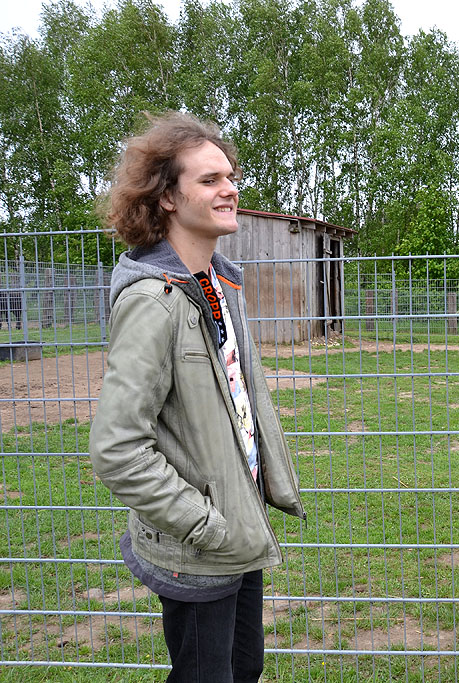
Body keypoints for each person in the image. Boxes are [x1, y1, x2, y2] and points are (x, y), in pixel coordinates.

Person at [90, 111, 305, 682]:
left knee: (243, 668)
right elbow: (117, 450)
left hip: (239, 524)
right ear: (165, 197)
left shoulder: (217, 283)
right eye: (209, 180)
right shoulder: (152, 302)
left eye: (230, 176)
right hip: (200, 543)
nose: (230, 188)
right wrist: (206, 524)